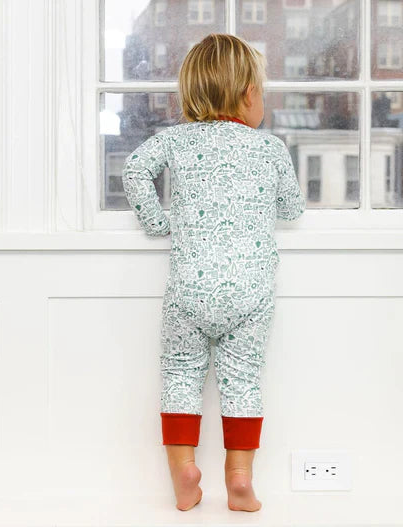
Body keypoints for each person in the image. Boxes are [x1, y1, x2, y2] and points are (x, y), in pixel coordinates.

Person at [121, 33, 306, 513]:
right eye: (261, 92)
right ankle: (240, 480)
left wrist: (158, 221)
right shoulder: (269, 149)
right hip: (250, 291)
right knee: (243, 379)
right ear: (248, 94)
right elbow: (292, 207)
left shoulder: (176, 140)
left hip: (189, 287)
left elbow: (135, 170)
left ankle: (184, 474)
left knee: (180, 373)